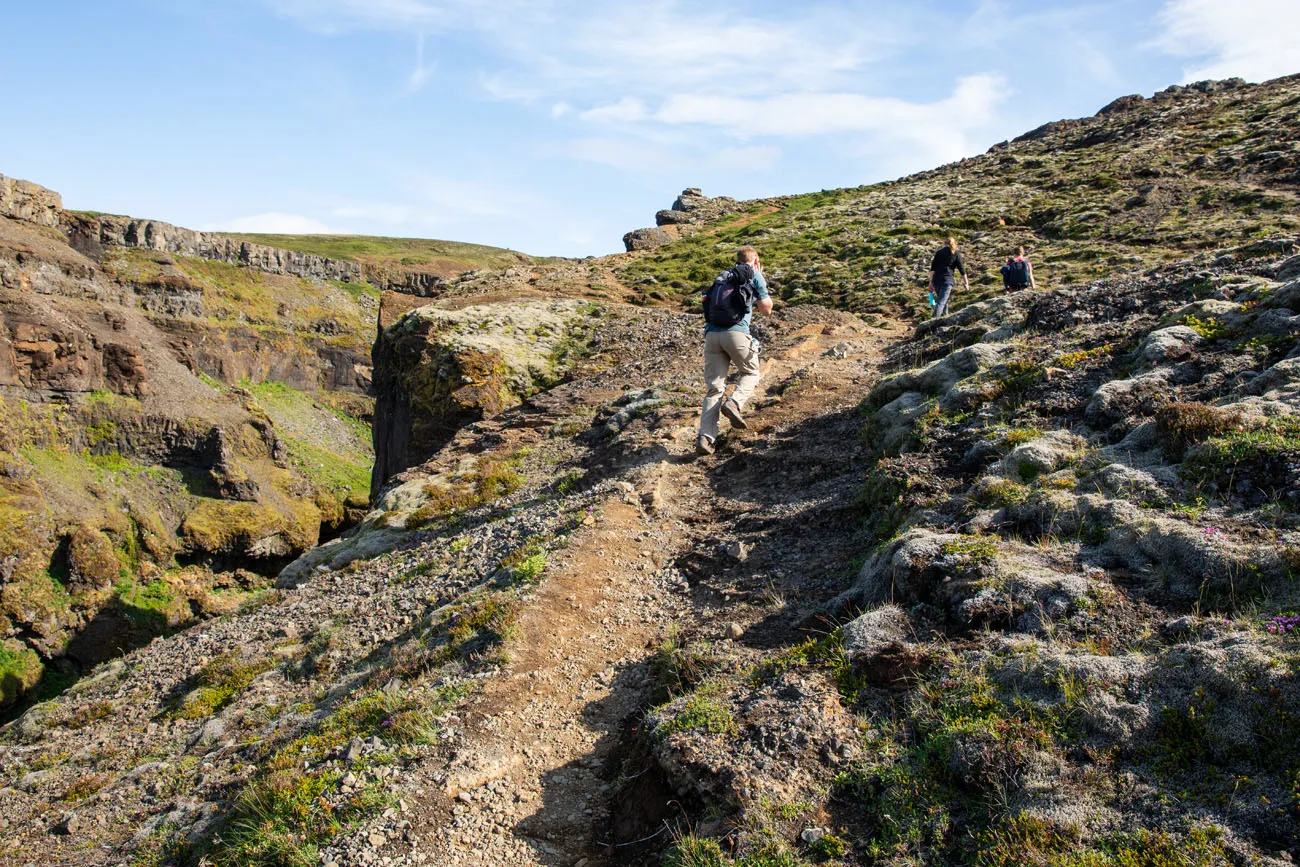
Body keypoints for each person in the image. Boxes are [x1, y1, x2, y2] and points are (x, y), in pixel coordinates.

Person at [696, 246, 773, 456]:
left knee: (714, 389)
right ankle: (735, 403)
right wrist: (761, 285)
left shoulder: (723, 276)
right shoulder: (754, 274)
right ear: (755, 259)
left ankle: (706, 437)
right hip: (736, 333)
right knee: (751, 372)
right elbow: (766, 310)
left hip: (712, 336)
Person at [929, 237, 968, 318]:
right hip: (947, 281)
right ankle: (932, 321)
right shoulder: (956, 253)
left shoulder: (939, 252)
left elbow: (933, 269)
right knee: (942, 302)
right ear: (954, 244)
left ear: (945, 243)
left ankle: (944, 319)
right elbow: (962, 270)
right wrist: (966, 283)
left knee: (944, 301)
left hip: (937, 281)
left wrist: (930, 282)